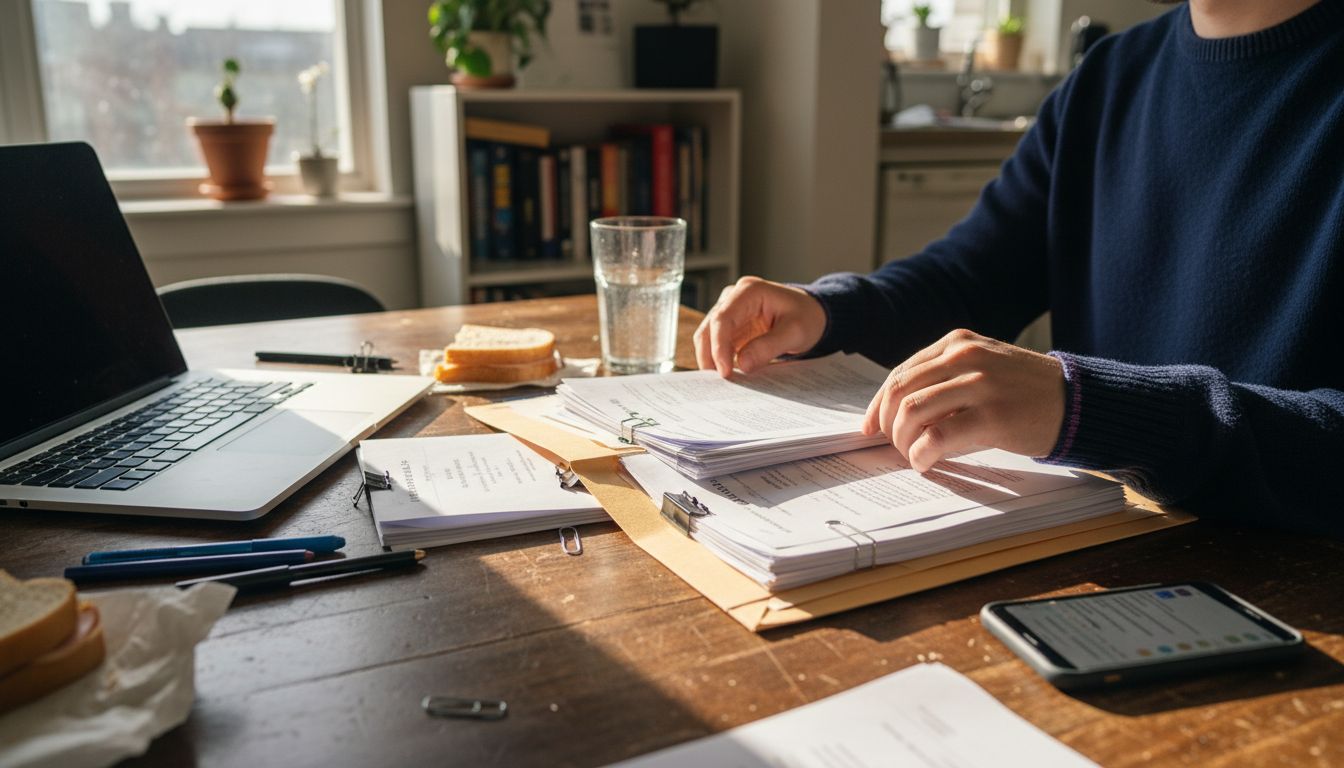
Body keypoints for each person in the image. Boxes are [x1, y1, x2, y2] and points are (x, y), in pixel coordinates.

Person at [694, 0, 1344, 537]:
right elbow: (969, 278)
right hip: (1100, 548)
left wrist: (1089, 411)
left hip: (1291, 593)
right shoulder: (1110, 76)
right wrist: (830, 311)